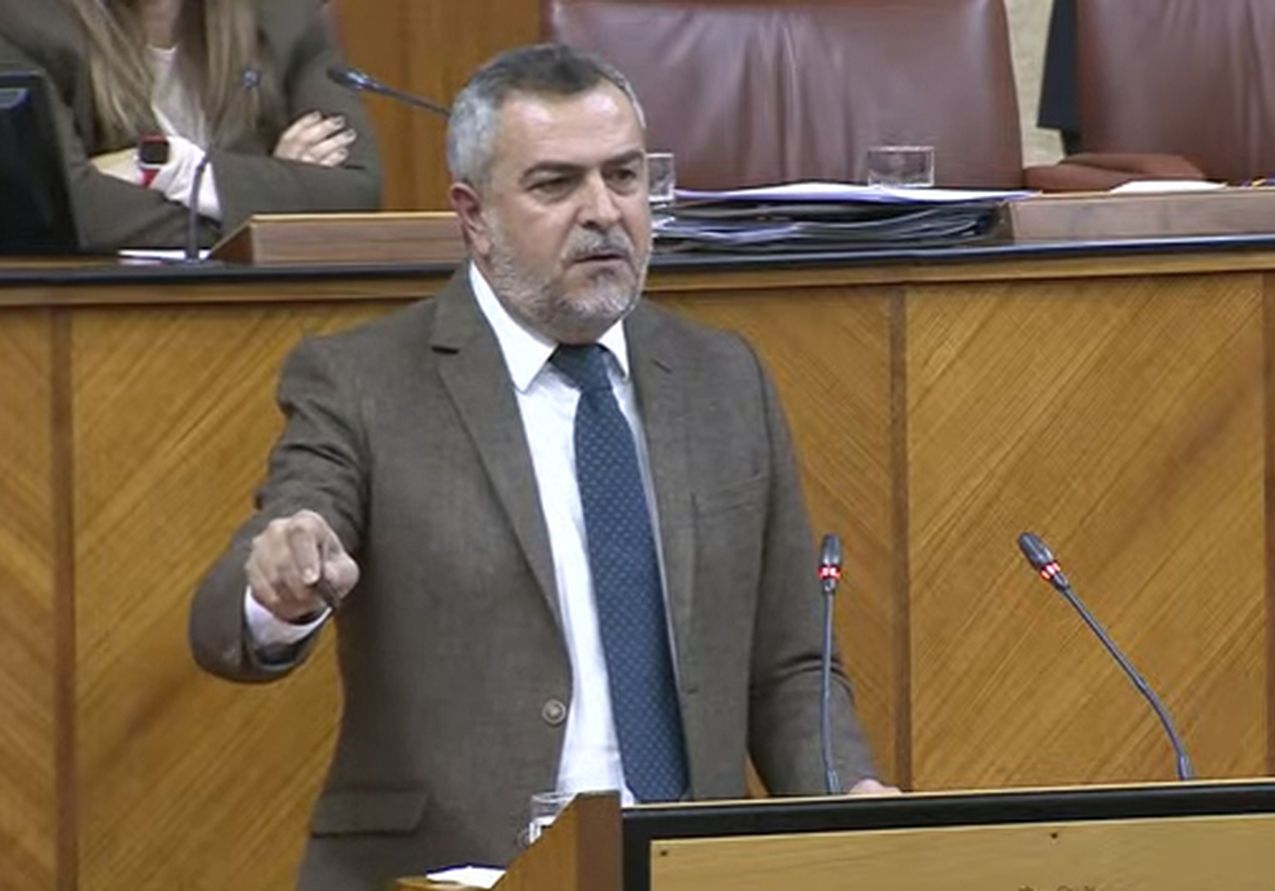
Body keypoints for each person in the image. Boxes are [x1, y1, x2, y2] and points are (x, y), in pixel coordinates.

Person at [188, 43, 886, 890]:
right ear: (474, 215)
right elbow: (235, 612)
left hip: (687, 865)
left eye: (624, 177)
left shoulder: (722, 377)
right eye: (556, 185)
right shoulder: (365, 380)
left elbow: (789, 664)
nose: (603, 212)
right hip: (451, 871)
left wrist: (850, 802)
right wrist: (278, 591)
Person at [0, 0, 380, 252]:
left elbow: (354, 194)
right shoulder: (20, 22)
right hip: (95, 320)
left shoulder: (285, 15)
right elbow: (71, 214)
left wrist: (174, 170)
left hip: (264, 314)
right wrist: (272, 197)